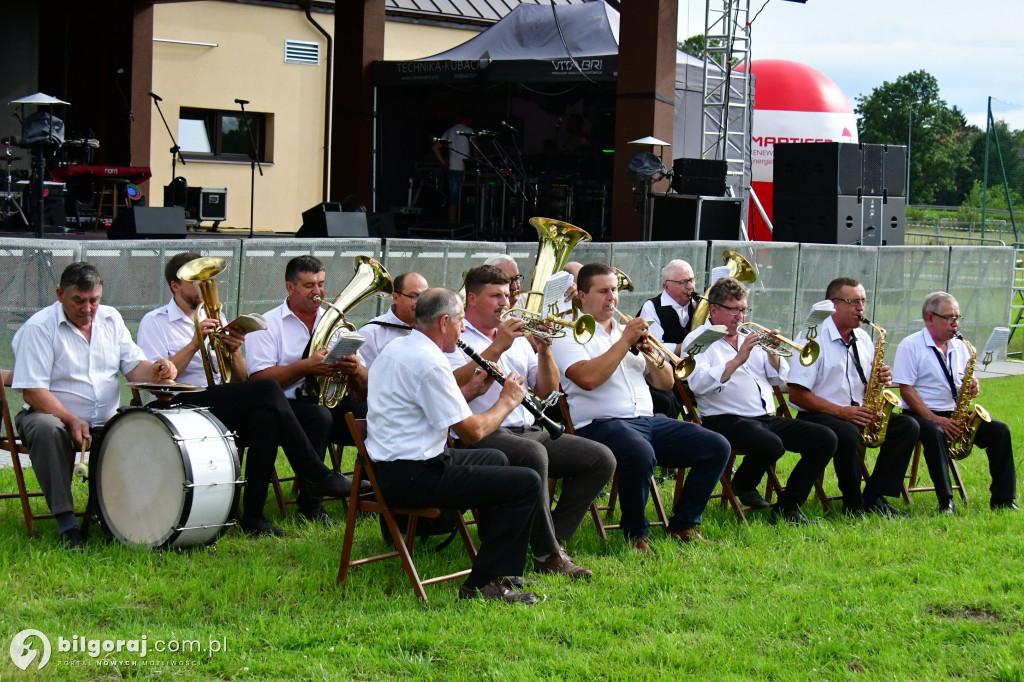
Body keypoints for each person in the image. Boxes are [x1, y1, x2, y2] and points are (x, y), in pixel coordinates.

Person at [137, 252, 355, 534]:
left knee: (279, 416)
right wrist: (194, 344)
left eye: (208, 281)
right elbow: (157, 380)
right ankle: (316, 474)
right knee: (267, 386)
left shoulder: (216, 317)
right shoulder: (155, 321)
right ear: (174, 286)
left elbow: (238, 380)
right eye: (194, 282)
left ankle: (253, 516)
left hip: (218, 401)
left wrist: (235, 350)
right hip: (179, 405)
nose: (204, 287)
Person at [366, 287, 543, 604]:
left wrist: (473, 391)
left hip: (392, 469)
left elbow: (429, 410)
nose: (463, 328)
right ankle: (481, 585)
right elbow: (472, 431)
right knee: (526, 482)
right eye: (461, 320)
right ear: (444, 322)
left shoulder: (399, 349)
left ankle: (495, 564)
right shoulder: (430, 363)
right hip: (411, 475)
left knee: (496, 458)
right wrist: (507, 401)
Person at [550, 263, 731, 552]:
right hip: (599, 424)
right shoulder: (570, 333)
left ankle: (684, 524)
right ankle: (635, 533)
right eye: (603, 291)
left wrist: (650, 355)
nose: (612, 297)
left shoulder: (626, 332)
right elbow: (587, 379)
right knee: (640, 451)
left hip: (646, 419)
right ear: (582, 296)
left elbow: (665, 384)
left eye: (614, 290)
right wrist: (625, 342)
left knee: (716, 445)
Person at [448, 265, 615, 578]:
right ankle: (546, 553)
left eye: (506, 294)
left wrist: (545, 351)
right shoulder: (455, 336)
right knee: (534, 455)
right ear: (471, 299)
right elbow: (452, 386)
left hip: (529, 429)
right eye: (495, 295)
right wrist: (498, 346)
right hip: (483, 432)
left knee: (600, 458)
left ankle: (553, 539)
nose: (505, 301)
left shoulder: (519, 337)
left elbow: (548, 390)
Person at [11, 262, 177, 548]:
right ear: (59, 294)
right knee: (46, 428)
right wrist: (72, 419)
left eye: (95, 300)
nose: (88, 308)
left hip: (106, 420)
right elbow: (33, 393)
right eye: (79, 300)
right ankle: (67, 524)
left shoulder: (111, 319)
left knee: (145, 424)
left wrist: (158, 370)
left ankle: (134, 517)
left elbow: (135, 369)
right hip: (50, 416)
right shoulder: (39, 327)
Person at [685, 277, 836, 524]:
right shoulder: (699, 339)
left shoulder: (749, 335)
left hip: (763, 417)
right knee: (771, 444)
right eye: (734, 310)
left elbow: (778, 378)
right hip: (723, 419)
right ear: (714, 309)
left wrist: (772, 354)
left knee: (825, 438)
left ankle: (789, 507)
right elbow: (699, 384)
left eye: (744, 309)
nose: (740, 317)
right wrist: (737, 360)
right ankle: (743, 484)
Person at [787, 277, 919, 517]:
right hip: (819, 414)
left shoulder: (864, 338)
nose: (861, 309)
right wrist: (841, 412)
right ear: (833, 304)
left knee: (907, 425)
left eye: (863, 302)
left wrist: (880, 378)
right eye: (854, 302)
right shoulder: (811, 339)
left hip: (856, 411)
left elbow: (870, 387)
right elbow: (797, 395)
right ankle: (853, 504)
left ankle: (874, 496)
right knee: (848, 433)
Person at [246, 256, 371, 476]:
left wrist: (356, 369)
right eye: (309, 285)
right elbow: (259, 381)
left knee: (374, 413)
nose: (317, 292)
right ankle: (311, 500)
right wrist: (306, 367)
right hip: (287, 405)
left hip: (331, 402)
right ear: (290, 287)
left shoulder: (337, 324)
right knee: (319, 417)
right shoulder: (268, 324)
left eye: (321, 284)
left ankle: (377, 493)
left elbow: (363, 389)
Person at [893, 291, 1017, 514]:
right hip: (919, 414)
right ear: (930, 318)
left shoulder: (961, 347)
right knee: (935, 432)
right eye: (950, 318)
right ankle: (946, 500)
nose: (955, 324)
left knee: (1000, 431)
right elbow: (906, 390)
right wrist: (935, 418)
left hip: (952, 412)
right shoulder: (910, 345)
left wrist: (972, 386)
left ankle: (1004, 499)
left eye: (958, 317)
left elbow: (960, 383)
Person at [637, 259, 699, 418]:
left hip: (697, 367)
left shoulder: (698, 304)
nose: (690, 287)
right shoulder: (651, 307)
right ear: (666, 286)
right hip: (663, 373)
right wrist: (685, 347)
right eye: (683, 282)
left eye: (692, 280)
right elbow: (655, 349)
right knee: (667, 400)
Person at [356, 272, 428, 370]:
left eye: (424, 297)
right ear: (396, 298)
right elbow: (365, 380)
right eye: (414, 296)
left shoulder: (432, 329)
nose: (420, 303)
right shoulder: (370, 334)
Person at [432, 114, 475, 225]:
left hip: (452, 168)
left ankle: (453, 226)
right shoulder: (468, 130)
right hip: (465, 169)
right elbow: (476, 146)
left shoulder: (450, 131)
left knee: (453, 201)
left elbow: (436, 147)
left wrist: (445, 164)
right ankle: (465, 224)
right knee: (467, 199)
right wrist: (475, 161)